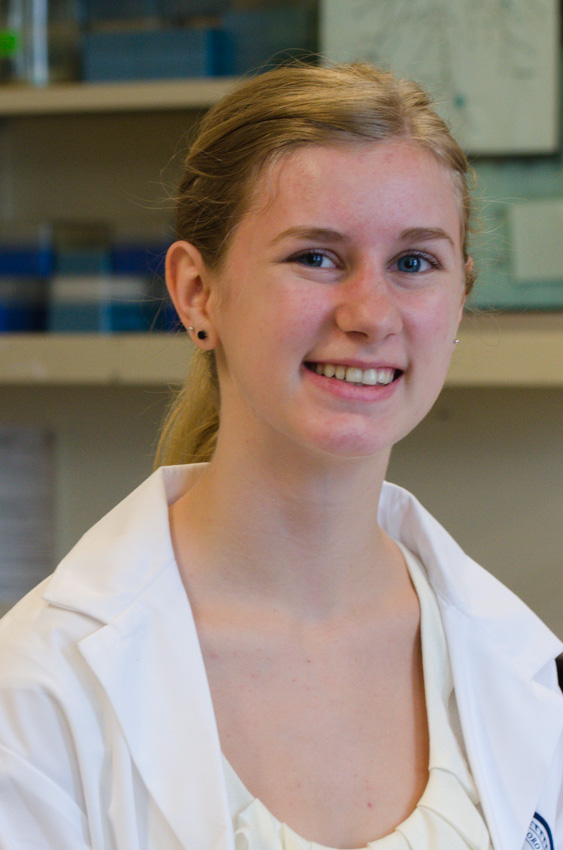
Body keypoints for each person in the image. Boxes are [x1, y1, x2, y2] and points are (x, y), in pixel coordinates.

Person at [0, 61, 561, 850]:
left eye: (413, 263)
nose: (370, 314)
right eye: (316, 258)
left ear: (459, 297)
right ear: (198, 292)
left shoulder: (515, 667)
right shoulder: (39, 691)